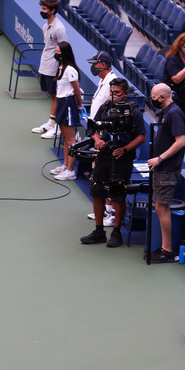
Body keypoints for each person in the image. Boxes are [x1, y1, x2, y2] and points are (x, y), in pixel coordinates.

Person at [80, 78, 146, 247]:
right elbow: (92, 127)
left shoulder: (133, 112)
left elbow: (141, 136)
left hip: (122, 158)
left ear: (125, 94)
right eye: (111, 92)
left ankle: (116, 233)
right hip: (104, 155)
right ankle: (99, 231)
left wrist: (125, 149)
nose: (113, 95)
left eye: (116, 93)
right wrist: (97, 140)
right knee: (97, 191)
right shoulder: (105, 108)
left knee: (118, 195)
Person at [146, 83, 185, 264]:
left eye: (154, 97)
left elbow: (180, 142)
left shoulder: (174, 113)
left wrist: (160, 158)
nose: (152, 99)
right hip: (161, 169)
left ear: (162, 97)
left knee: (163, 208)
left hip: (167, 169)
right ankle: (165, 247)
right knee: (159, 207)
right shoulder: (166, 112)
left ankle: (167, 251)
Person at [82, 51, 119, 227]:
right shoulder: (103, 81)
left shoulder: (112, 83)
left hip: (106, 138)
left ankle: (110, 213)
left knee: (108, 175)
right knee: (99, 175)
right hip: (97, 134)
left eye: (95, 64)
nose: (93, 67)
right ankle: (104, 210)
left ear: (103, 65)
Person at [33, 0, 69, 138]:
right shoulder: (45, 26)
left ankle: (58, 128)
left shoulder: (59, 28)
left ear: (52, 11)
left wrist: (61, 69)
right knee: (52, 95)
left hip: (55, 67)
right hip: (46, 65)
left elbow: (64, 49)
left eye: (44, 9)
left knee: (57, 96)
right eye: (42, 8)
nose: (42, 11)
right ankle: (51, 123)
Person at [49, 41, 84, 181]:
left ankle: (70, 171)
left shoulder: (70, 69)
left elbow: (76, 90)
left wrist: (79, 104)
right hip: (62, 103)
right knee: (64, 138)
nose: (56, 54)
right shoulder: (62, 67)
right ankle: (65, 165)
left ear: (65, 54)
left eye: (58, 52)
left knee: (71, 140)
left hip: (69, 103)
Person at [161, 32, 185, 124]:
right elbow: (176, 79)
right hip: (174, 98)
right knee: (174, 124)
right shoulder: (172, 59)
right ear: (180, 46)